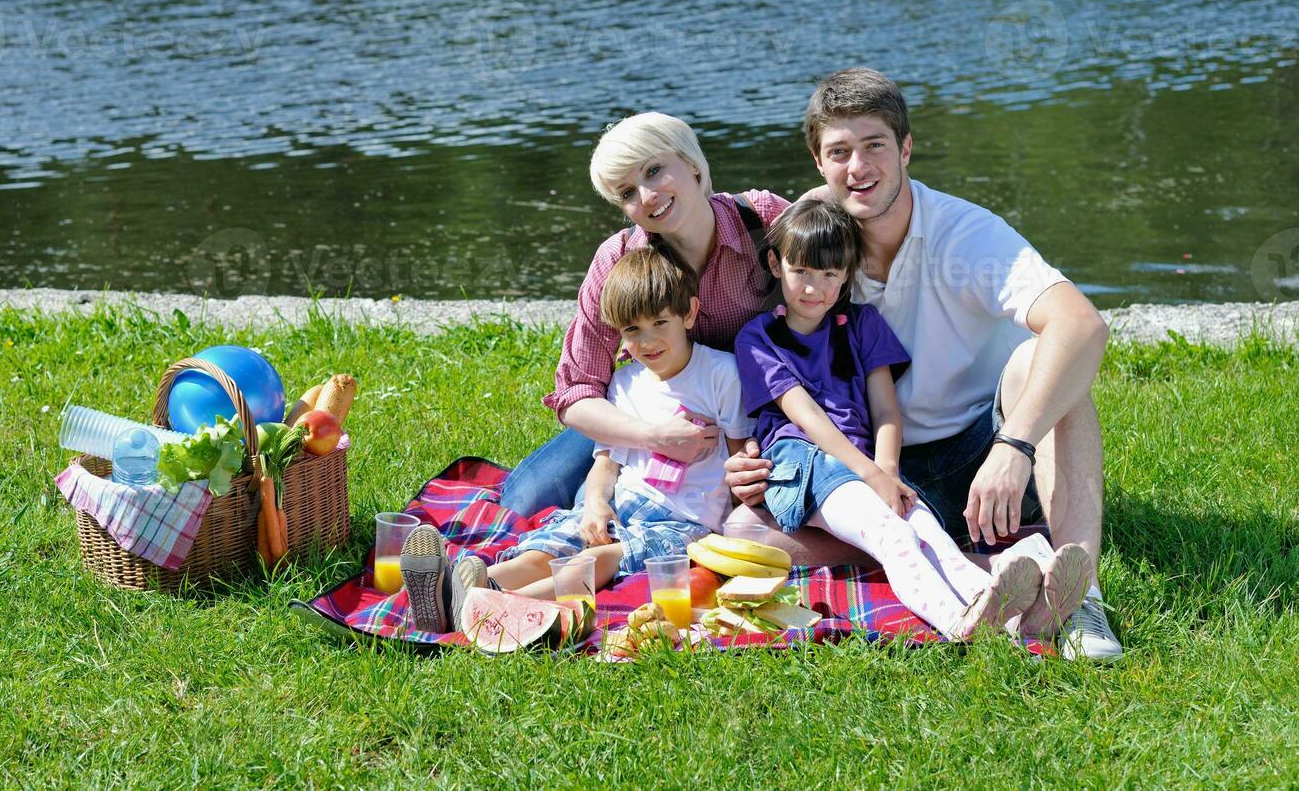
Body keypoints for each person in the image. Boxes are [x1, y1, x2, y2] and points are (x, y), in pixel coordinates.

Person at [724, 67, 1121, 660]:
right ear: (819, 163)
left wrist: (1014, 448)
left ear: (906, 148)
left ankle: (1082, 600)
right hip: (876, 464)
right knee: (745, 532)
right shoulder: (816, 244)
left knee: (1045, 360)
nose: (858, 167)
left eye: (874, 145)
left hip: (987, 459)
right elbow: (762, 348)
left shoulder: (965, 233)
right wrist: (740, 455)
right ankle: (1002, 565)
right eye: (839, 152)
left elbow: (1082, 325)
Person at [733, 196, 1067, 639]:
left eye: (830, 274)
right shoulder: (757, 338)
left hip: (864, 463)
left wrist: (888, 472)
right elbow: (806, 415)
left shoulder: (862, 324)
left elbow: (886, 410)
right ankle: (957, 622)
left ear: (847, 274)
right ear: (776, 266)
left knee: (928, 530)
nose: (814, 288)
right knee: (894, 538)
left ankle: (998, 606)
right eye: (802, 273)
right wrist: (872, 473)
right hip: (804, 462)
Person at [400, 246, 753, 633]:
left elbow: (739, 460)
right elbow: (606, 462)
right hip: (625, 503)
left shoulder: (721, 374)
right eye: (632, 330)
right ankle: (462, 586)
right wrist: (596, 504)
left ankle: (486, 603)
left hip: (685, 520)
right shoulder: (625, 382)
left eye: (659, 323)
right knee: (551, 545)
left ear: (688, 313)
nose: (648, 341)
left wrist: (736, 533)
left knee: (599, 559)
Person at [499, 112, 790, 518]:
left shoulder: (761, 219)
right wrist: (653, 436)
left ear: (691, 163)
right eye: (627, 192)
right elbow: (578, 392)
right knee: (521, 502)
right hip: (646, 413)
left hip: (759, 413)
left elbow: (833, 290)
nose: (647, 196)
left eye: (654, 171)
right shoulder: (618, 259)